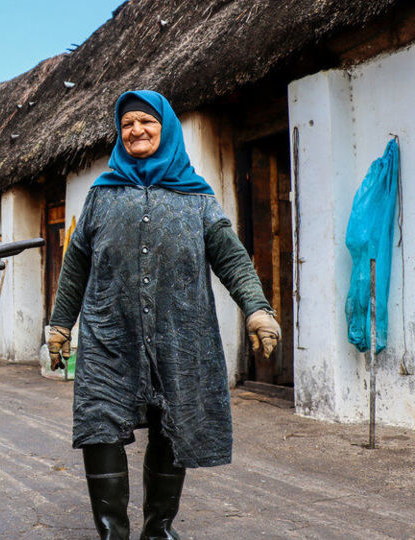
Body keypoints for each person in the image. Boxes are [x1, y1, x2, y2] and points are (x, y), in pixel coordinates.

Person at [47, 90, 281, 540]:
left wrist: (257, 309)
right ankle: (113, 532)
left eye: (146, 122)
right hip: (111, 334)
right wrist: (60, 325)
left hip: (180, 332)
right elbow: (75, 264)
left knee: (171, 423)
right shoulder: (102, 196)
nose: (136, 130)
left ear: (166, 127)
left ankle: (159, 529)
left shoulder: (198, 199)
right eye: (127, 123)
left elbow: (231, 257)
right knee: (100, 424)